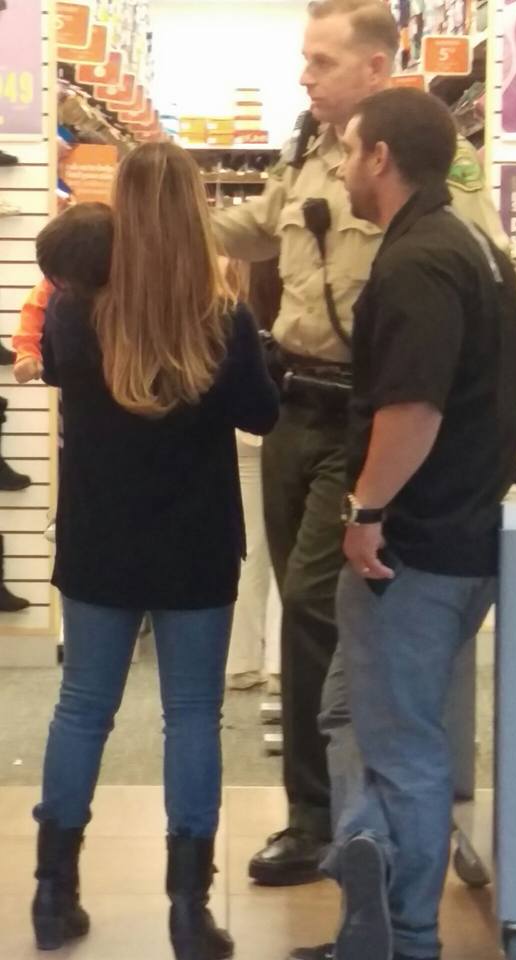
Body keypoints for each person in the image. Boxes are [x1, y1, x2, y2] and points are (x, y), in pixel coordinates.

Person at [213, 0, 508, 887]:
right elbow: (257, 226)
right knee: (312, 617)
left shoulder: (427, 166)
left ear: (376, 69)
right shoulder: (311, 150)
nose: (304, 74)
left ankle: (333, 825)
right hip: (291, 403)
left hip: (368, 416)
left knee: (315, 605)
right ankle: (338, 817)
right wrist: (150, 221)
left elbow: (468, 283)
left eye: (321, 59)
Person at [291, 88, 516, 960]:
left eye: (350, 152)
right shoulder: (473, 243)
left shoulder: (419, 259)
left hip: (410, 547)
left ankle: (410, 936)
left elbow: (414, 409)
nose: (344, 168)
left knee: (401, 747)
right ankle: (373, 885)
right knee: (353, 713)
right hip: (458, 535)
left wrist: (366, 511)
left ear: (381, 157)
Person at [30, 145, 279, 958]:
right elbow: (262, 416)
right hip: (196, 541)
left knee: (81, 709)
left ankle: (52, 894)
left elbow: (74, 384)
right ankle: (186, 911)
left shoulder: (74, 312)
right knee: (191, 717)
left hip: (101, 537)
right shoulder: (222, 316)